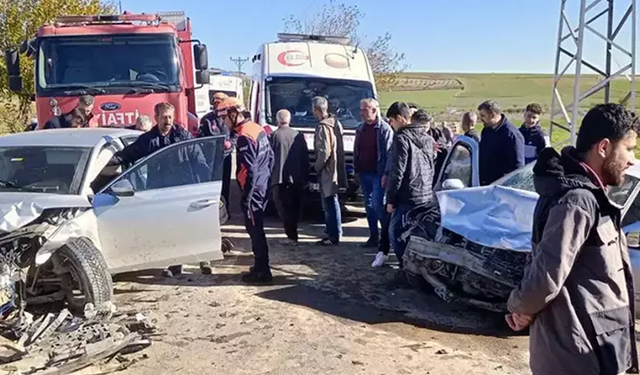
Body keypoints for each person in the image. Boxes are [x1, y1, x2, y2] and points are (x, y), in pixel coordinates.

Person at [506, 103, 639, 375]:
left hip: (596, 347)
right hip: (575, 355)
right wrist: (519, 306)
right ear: (603, 147)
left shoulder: (591, 197)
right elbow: (546, 275)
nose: (632, 160)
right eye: (629, 149)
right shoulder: (577, 201)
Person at [108, 102, 210, 277]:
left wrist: (206, 182)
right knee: (169, 227)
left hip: (184, 188)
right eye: (164, 117)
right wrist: (108, 161)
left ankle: (204, 259)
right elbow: (128, 154)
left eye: (170, 117)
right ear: (156, 118)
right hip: (161, 190)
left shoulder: (183, 136)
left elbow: (198, 159)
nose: (168, 121)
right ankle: (175, 264)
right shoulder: (148, 139)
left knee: (193, 224)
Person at [216, 97, 274, 283]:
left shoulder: (244, 137)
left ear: (234, 115)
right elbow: (270, 158)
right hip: (262, 186)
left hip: (253, 190)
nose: (223, 122)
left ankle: (263, 271)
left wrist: (246, 197)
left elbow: (249, 170)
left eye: (224, 117)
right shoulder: (256, 128)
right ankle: (260, 266)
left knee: (255, 230)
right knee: (258, 229)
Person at [386, 102, 436, 287]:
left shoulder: (401, 138)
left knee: (395, 233)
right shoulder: (428, 138)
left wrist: (390, 199)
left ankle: (406, 272)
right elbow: (432, 167)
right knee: (417, 235)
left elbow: (397, 173)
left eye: (391, 121)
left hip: (408, 195)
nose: (391, 125)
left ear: (399, 118)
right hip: (425, 194)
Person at [354, 98, 393, 266]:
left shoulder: (384, 129)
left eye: (365, 110)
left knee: (378, 205)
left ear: (374, 110)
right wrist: (356, 169)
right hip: (364, 173)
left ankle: (386, 237)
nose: (362, 113)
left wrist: (386, 173)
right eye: (361, 109)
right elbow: (357, 150)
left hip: (378, 174)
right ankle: (373, 236)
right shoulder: (361, 128)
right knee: (368, 206)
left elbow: (389, 153)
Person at [270, 109, 308, 245]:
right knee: (294, 207)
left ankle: (291, 235)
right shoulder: (298, 135)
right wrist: (305, 176)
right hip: (296, 178)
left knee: (283, 207)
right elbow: (305, 158)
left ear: (277, 119)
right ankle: (293, 233)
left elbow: (269, 158)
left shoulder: (274, 136)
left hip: (278, 178)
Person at [312, 96, 347, 246]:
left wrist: (316, 167)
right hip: (336, 169)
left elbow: (324, 152)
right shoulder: (336, 123)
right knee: (334, 201)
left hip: (328, 171)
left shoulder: (323, 127)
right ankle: (336, 232)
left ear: (315, 110)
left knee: (329, 203)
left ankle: (332, 235)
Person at [199, 92, 235, 216]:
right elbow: (200, 138)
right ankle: (211, 212)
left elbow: (236, 134)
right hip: (211, 158)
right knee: (212, 185)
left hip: (225, 157)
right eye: (215, 101)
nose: (217, 103)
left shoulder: (230, 117)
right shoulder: (207, 119)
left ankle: (225, 212)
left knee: (225, 186)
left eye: (219, 101)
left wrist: (230, 143)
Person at [478, 100, 525, 185]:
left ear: (492, 115)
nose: (481, 119)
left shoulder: (511, 135)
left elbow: (518, 167)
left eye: (483, 116)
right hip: (484, 184)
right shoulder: (487, 130)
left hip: (501, 187)